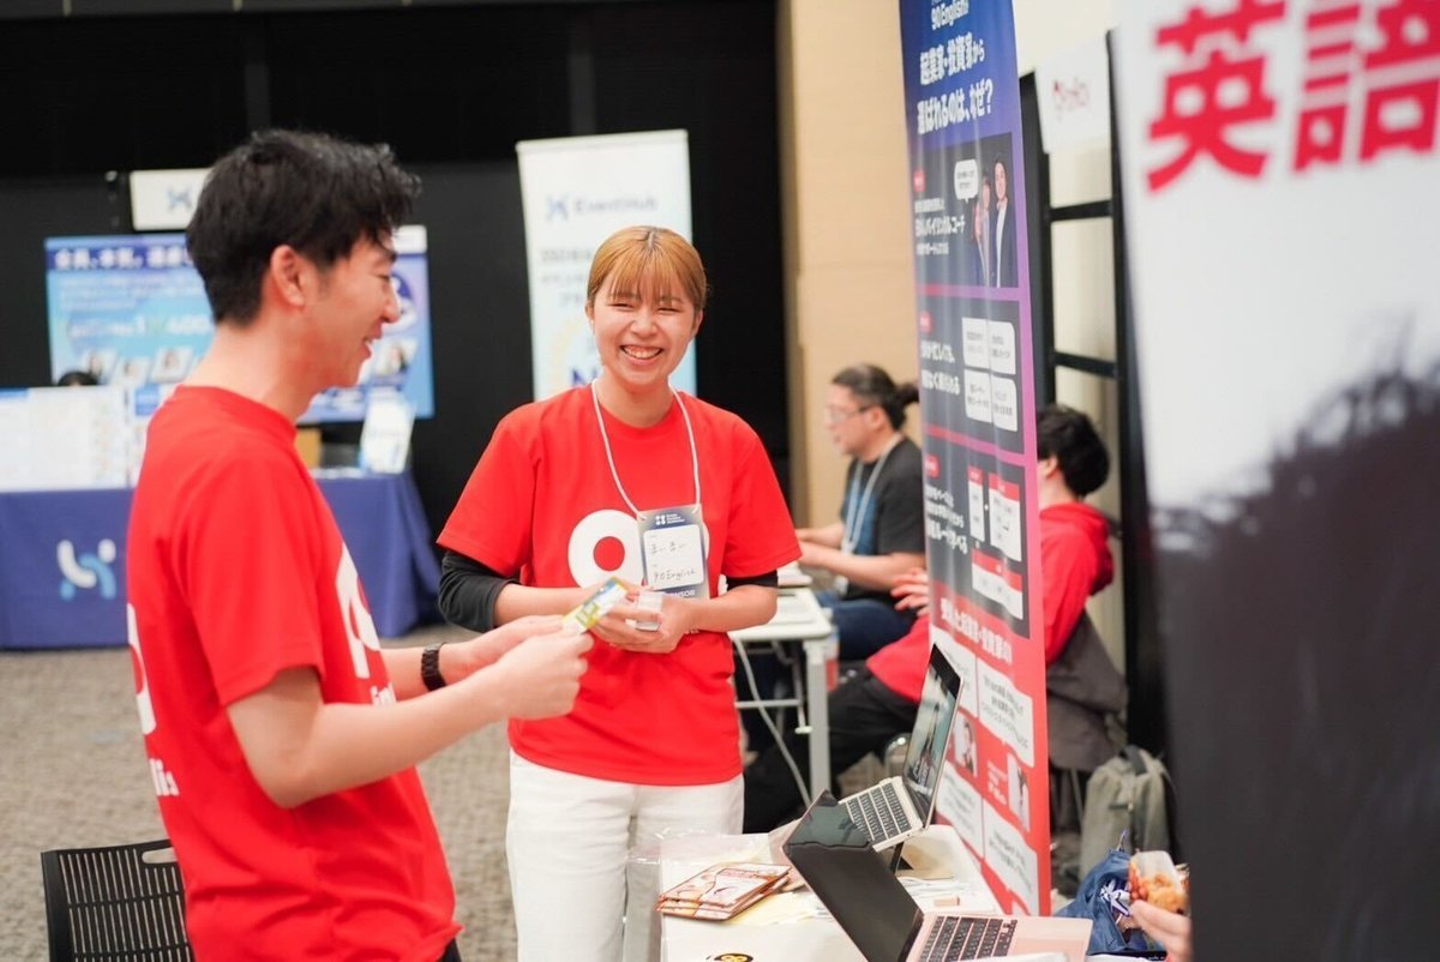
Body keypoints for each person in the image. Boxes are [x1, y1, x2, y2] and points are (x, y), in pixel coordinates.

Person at [125, 130, 592, 961]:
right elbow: (293, 754)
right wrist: (498, 695)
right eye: (381, 274)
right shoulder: (236, 467)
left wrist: (461, 663)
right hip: (329, 929)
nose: (393, 309)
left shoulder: (207, 438)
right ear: (293, 276)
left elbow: (312, 676)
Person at [435, 225, 800, 962]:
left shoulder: (728, 441)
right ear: (590, 311)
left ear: (696, 322)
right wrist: (585, 606)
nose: (644, 326)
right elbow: (461, 590)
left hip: (695, 758)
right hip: (564, 755)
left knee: (691, 954)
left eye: (668, 307)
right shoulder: (532, 434)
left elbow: (760, 593)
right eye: (624, 303)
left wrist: (690, 614)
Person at [744, 403, 1115, 832]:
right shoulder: (1028, 527)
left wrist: (952, 601)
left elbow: (1035, 643)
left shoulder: (1067, 540)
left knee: (804, 751)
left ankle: (745, 830)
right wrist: (947, 596)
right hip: (921, 665)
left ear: (1048, 464)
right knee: (805, 746)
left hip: (934, 678)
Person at [796, 363, 925, 660]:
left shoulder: (906, 472)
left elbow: (903, 569)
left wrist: (817, 556)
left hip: (891, 610)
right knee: (776, 613)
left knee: (797, 633)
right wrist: (805, 538)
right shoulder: (862, 461)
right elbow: (853, 528)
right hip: (853, 595)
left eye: (838, 414)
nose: (829, 424)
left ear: (875, 417)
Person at [991, 155, 1018, 288]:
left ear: (1007, 179)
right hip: (996, 291)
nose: (999, 182)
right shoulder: (994, 216)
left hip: (1010, 291)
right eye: (996, 178)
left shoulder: (1014, 215)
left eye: (1002, 176)